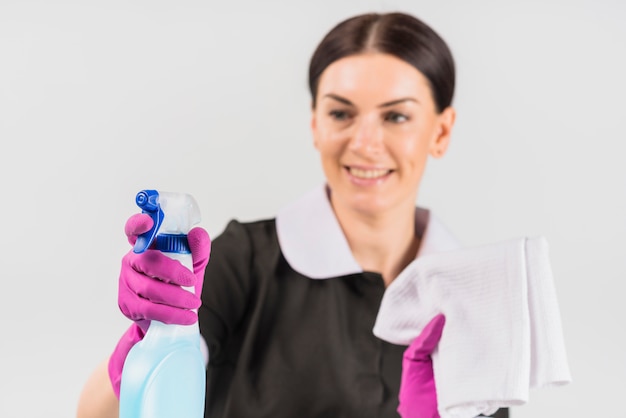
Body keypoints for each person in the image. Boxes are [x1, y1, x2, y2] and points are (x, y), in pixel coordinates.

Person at [77, 11, 509, 418]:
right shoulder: (244, 262)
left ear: (441, 130)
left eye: (396, 116)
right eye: (341, 113)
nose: (365, 143)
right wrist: (146, 344)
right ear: (315, 124)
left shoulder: (471, 303)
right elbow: (95, 414)